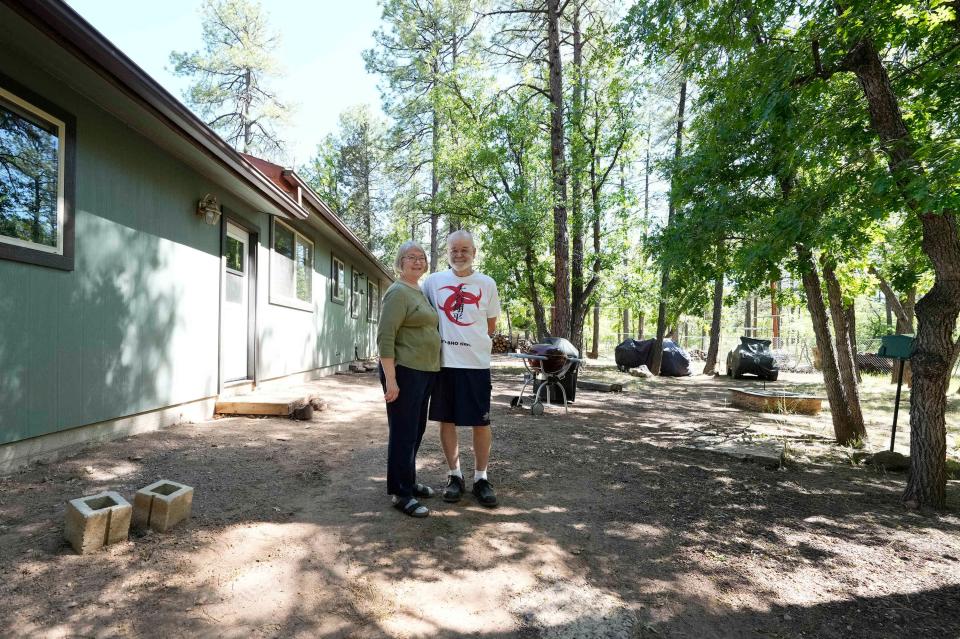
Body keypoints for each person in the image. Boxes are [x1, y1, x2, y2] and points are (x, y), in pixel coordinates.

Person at [422, 230, 501, 507]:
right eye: (454, 250)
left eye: (465, 250)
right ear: (447, 253)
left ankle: (481, 478)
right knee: (447, 420)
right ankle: (454, 475)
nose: (459, 255)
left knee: (481, 421)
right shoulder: (433, 282)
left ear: (474, 253)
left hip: (476, 365)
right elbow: (422, 315)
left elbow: (490, 326)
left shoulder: (487, 284)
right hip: (443, 364)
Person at [377, 241, 441, 518]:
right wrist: (391, 379)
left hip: (424, 371)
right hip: (404, 371)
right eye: (411, 257)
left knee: (415, 430)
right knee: (403, 432)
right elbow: (385, 337)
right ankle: (401, 493)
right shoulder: (398, 292)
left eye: (421, 257)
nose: (417, 261)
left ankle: (409, 481)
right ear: (400, 262)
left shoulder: (421, 291)